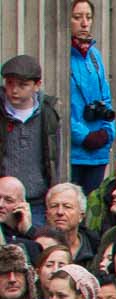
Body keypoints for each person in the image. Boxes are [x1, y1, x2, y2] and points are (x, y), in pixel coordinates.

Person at [1, 56, 64, 219]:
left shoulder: (48, 113)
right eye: (9, 83)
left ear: (37, 85)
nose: (14, 90)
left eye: (22, 85)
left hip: (36, 202)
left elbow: (54, 157)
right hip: (2, 200)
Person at [67, 0, 116, 194]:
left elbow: (106, 98)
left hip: (98, 152)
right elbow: (61, 106)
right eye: (77, 17)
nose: (84, 23)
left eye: (88, 17)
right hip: (74, 151)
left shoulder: (95, 56)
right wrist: (84, 136)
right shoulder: (62, 56)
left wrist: (108, 132)